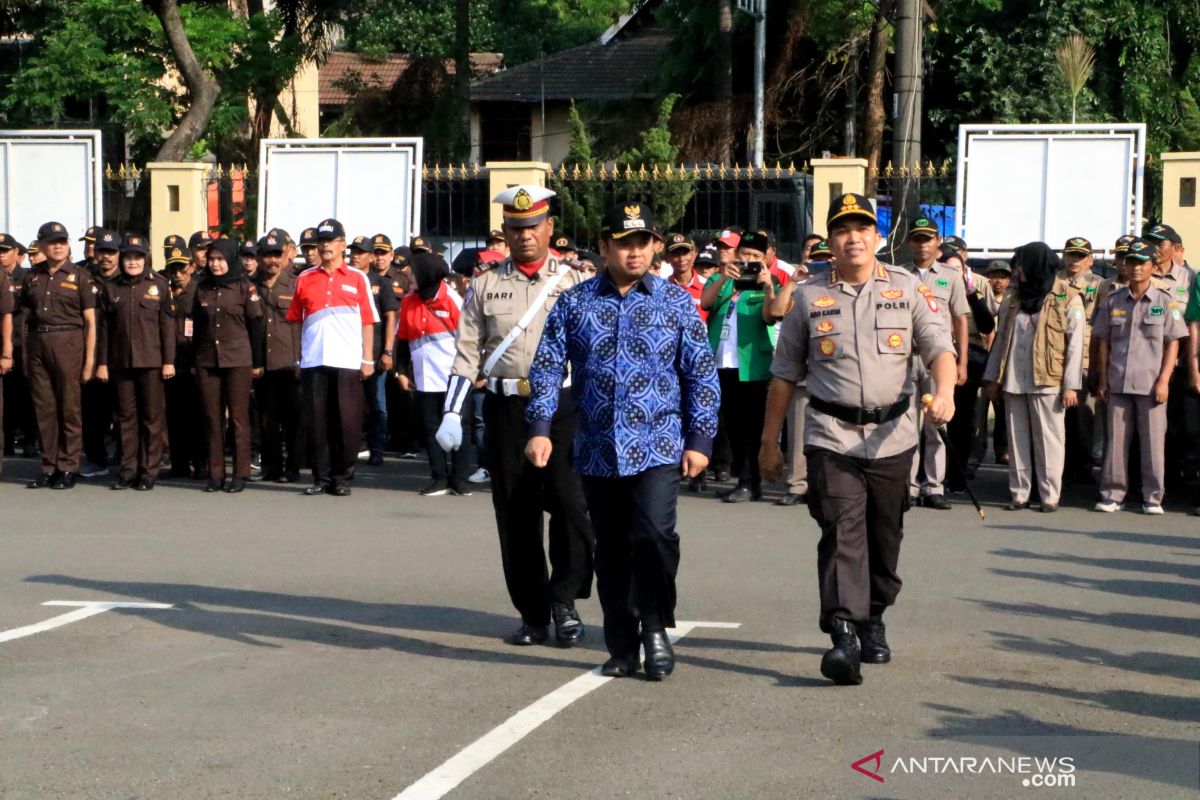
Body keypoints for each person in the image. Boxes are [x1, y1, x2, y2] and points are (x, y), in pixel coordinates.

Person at [759, 193, 955, 686]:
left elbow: (938, 347)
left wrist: (946, 389)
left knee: (884, 536)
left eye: (862, 229)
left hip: (894, 435)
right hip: (831, 435)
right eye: (843, 229)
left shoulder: (908, 289)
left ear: (877, 237)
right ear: (830, 240)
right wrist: (769, 441)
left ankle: (874, 614)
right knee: (842, 529)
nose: (853, 238)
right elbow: (784, 374)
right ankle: (844, 632)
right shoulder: (807, 296)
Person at [525, 202, 720, 679]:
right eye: (623, 242)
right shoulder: (575, 303)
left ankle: (654, 626)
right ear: (604, 246)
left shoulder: (674, 302)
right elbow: (548, 367)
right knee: (610, 546)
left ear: (655, 246)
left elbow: (700, 372)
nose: (634, 252)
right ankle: (620, 644)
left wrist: (700, 439)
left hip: (658, 444)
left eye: (643, 242)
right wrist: (540, 428)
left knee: (653, 535)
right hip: (595, 446)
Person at [435, 185, 594, 647]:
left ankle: (565, 599)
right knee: (516, 513)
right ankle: (533, 612)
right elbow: (466, 353)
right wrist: (452, 410)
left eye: (533, 227)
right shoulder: (484, 285)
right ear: (506, 232)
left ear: (549, 228)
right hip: (506, 406)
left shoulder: (574, 282)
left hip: (562, 406)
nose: (525, 236)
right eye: (516, 228)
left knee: (570, 506)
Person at [982, 242, 1084, 512]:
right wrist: (993, 379)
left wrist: (1071, 386)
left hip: (1048, 381)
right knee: (1017, 439)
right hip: (1014, 377)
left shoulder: (1067, 297)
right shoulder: (1013, 299)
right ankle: (1019, 493)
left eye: (1020, 266)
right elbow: (1001, 339)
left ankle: (1049, 496)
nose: (1016, 272)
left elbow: (1075, 346)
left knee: (1049, 439)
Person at [1093, 238, 1187, 514]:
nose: (1135, 268)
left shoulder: (1165, 301)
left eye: (1142, 263)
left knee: (1153, 442)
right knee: (1116, 441)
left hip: (1151, 384)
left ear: (1153, 267)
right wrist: (1102, 379)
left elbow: (1174, 342)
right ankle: (1113, 493)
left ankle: (1152, 496)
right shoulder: (1113, 300)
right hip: (1118, 380)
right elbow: (1103, 343)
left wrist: (1164, 380)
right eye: (1131, 262)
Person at [286, 219, 379, 497]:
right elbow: (296, 321)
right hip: (314, 359)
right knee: (317, 421)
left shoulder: (357, 277)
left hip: (348, 360)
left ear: (342, 244)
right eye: (321, 241)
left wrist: (367, 359)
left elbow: (367, 321)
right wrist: (298, 358)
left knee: (346, 421)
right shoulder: (305, 277)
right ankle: (321, 477)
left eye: (331, 241)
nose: (325, 246)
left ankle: (343, 476)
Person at [700, 229, 780, 502]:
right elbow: (705, 302)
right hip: (721, 362)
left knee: (752, 425)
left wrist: (768, 285)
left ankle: (750, 480)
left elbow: (772, 316)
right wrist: (725, 276)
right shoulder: (720, 280)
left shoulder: (770, 284)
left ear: (766, 259)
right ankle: (742, 477)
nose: (749, 259)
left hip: (752, 365)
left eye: (756, 255)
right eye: (745, 254)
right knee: (731, 423)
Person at [93, 234, 175, 490]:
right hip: (120, 363)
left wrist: (168, 361)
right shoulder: (111, 287)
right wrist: (103, 362)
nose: (133, 262)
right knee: (125, 419)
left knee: (151, 419)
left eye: (138, 257)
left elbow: (167, 327)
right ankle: (128, 471)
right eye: (128, 257)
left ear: (146, 259)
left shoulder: (159, 285)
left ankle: (148, 472)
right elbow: (104, 329)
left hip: (151, 362)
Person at [21, 222, 97, 489]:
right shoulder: (32, 277)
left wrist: (89, 361)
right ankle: (48, 465)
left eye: (62, 241)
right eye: (52, 242)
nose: (58, 246)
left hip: (68, 342)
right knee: (44, 408)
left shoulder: (80, 277)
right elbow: (25, 319)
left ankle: (67, 466)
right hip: (39, 343)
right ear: (41, 246)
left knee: (69, 407)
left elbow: (90, 322)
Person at [901, 217, 969, 510]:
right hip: (904, 359)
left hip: (937, 360)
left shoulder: (950, 276)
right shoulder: (899, 275)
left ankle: (933, 485)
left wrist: (962, 361)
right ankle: (909, 486)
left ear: (937, 242)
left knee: (936, 424)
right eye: (917, 238)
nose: (922, 244)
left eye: (927, 238)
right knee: (905, 425)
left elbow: (960, 319)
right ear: (909, 243)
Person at [190, 237, 265, 493]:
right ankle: (216, 473)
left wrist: (257, 362)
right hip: (207, 360)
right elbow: (196, 328)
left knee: (238, 418)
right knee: (212, 418)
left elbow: (256, 325)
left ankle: (240, 473)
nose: (215, 264)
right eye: (211, 259)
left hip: (238, 360)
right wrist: (194, 361)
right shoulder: (201, 288)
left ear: (230, 259)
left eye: (220, 259)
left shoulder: (245, 287)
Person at [396, 252, 472, 496]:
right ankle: (439, 477)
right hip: (424, 377)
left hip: (454, 376)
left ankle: (458, 478)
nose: (409, 276)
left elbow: (469, 340)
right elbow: (402, 339)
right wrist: (401, 371)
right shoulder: (409, 301)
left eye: (414, 273)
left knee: (459, 426)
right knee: (431, 428)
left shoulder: (451, 300)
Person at [1143, 223, 1198, 498]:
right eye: (1149, 243)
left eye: (1159, 244)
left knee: (1183, 426)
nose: (1154, 250)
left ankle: (1177, 481)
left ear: (1174, 248)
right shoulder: (1142, 276)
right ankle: (1153, 482)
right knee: (1153, 429)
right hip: (1148, 364)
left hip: (1180, 364)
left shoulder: (1190, 278)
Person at [252, 232, 305, 483]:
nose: (271, 261)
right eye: (267, 256)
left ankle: (292, 469)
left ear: (285, 256)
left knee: (293, 421)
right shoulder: (249, 285)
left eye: (276, 255)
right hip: (262, 365)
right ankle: (271, 468)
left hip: (290, 363)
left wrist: (301, 361)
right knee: (266, 421)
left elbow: (304, 326)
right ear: (259, 258)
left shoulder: (296, 285)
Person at [349, 234, 399, 465]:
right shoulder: (346, 279)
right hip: (349, 353)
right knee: (351, 404)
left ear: (370, 256)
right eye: (353, 251)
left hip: (375, 352)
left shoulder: (382, 283)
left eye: (360, 252)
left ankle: (377, 448)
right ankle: (352, 445)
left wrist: (388, 351)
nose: (355, 256)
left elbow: (391, 318)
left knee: (378, 404)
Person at [1058, 237, 1103, 484]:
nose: (1075, 260)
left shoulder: (1099, 285)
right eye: (1071, 255)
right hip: (1057, 356)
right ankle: (1061, 465)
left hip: (1086, 356)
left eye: (1080, 256)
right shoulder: (1054, 281)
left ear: (1089, 259)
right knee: (1060, 416)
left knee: (1084, 416)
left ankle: (1084, 466)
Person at [80, 229, 122, 478]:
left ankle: (125, 458)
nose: (106, 257)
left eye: (111, 252)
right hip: (91, 354)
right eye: (101, 251)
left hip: (122, 354)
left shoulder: (127, 279)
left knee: (124, 412)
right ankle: (96, 459)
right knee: (92, 411)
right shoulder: (84, 279)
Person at [971, 260, 1012, 469]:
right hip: (980, 358)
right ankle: (975, 454)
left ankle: (1002, 450)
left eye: (1003, 277)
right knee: (979, 410)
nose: (999, 281)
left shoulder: (1012, 302)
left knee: (1004, 409)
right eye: (995, 276)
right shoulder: (979, 301)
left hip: (1000, 363)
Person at [0, 233, 33, 459]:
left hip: (25, 342)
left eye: (5, 251)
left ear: (15, 253)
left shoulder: (28, 277)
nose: (1, 256)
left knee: (27, 394)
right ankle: (8, 440)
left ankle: (30, 439)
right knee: (7, 397)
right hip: (4, 344)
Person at [664, 232, 707, 323]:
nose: (681, 259)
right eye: (676, 254)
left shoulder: (707, 285)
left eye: (685, 253)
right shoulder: (661, 287)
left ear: (693, 255)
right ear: (668, 257)